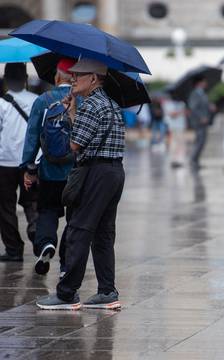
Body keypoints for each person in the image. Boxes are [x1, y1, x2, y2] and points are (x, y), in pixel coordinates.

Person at [36, 58, 125, 310]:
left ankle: (66, 293)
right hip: (114, 172)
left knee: (79, 230)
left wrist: (67, 117)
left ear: (93, 79)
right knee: (104, 234)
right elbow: (90, 136)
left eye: (78, 75)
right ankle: (107, 291)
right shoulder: (110, 104)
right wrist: (74, 111)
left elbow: (74, 145)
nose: (72, 78)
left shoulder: (92, 105)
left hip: (96, 173)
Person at [21, 58, 76, 276]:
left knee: (47, 211)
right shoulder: (81, 100)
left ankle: (45, 243)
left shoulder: (43, 100)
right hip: (75, 172)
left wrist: (29, 168)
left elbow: (32, 136)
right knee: (74, 218)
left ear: (57, 77)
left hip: (49, 170)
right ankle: (66, 265)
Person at [0, 62, 38, 262]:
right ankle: (39, 240)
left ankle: (14, 250)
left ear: (6, 79)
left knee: (6, 207)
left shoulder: (1, 103)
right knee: (32, 203)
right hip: (30, 162)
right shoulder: (37, 100)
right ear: (25, 79)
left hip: (4, 162)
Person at [188, 75, 211, 169]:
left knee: (202, 141)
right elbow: (193, 107)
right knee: (199, 141)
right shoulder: (195, 94)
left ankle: (196, 161)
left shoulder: (202, 94)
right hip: (199, 122)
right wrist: (201, 117)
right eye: (204, 81)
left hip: (204, 122)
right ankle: (193, 161)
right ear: (199, 83)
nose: (205, 83)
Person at [163, 94, 188, 168]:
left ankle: (180, 160)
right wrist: (180, 112)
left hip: (181, 126)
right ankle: (173, 160)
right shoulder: (168, 104)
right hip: (172, 126)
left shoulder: (182, 103)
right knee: (173, 144)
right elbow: (171, 114)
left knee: (181, 144)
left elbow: (184, 113)